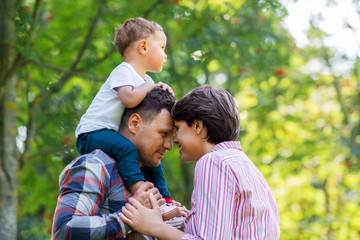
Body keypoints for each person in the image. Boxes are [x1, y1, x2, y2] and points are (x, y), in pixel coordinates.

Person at [120, 85, 281, 240]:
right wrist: (188, 219)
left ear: (197, 126)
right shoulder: (244, 165)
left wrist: (154, 226)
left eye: (178, 129)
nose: (174, 141)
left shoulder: (213, 162)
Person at [52, 89, 184, 239]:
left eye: (172, 137)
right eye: (164, 134)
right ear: (135, 123)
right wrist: (129, 218)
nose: (169, 145)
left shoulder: (148, 177)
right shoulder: (96, 165)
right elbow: (65, 230)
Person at [75, 17, 175, 202]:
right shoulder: (124, 71)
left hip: (110, 133)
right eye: (162, 47)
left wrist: (163, 90)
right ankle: (139, 189)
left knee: (153, 159)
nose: (165, 54)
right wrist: (149, 87)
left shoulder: (147, 81)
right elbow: (129, 99)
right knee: (126, 148)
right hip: (92, 133)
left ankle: (165, 199)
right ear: (143, 47)